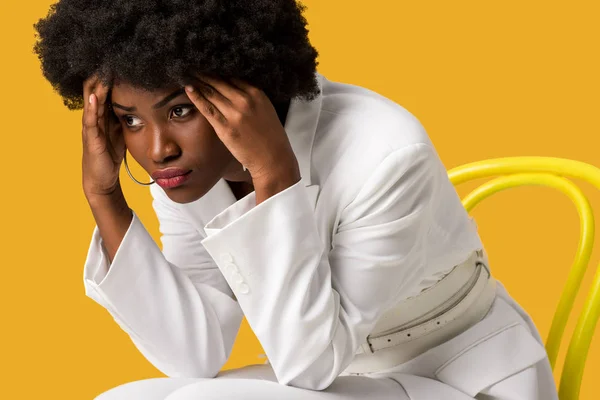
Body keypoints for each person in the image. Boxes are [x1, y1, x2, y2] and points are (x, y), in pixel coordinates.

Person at [33, 1, 558, 399]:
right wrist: (105, 199)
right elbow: (191, 353)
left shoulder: (386, 154)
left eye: (178, 111)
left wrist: (274, 178)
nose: (157, 149)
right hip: (339, 379)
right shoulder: (189, 170)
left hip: (457, 375)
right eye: (129, 119)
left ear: (247, 83)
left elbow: (308, 364)